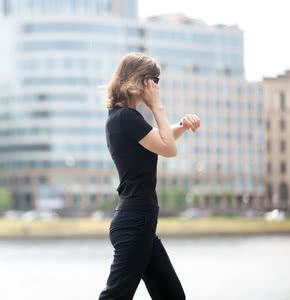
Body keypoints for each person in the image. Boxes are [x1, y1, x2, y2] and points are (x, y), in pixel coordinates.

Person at [98, 52, 200, 300]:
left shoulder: (121, 118)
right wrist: (157, 106)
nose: (156, 86)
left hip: (138, 222)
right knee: (115, 296)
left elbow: (160, 139)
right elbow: (168, 149)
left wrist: (183, 126)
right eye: (154, 79)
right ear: (139, 80)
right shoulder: (127, 118)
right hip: (135, 222)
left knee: (172, 296)